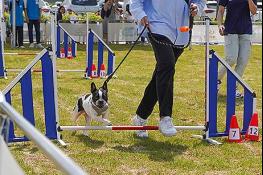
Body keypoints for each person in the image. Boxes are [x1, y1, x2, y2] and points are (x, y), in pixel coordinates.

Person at [130, 0, 205, 138]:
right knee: (167, 65)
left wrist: (197, 8)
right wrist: (140, 14)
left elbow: (200, 2)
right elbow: (135, 1)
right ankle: (165, 117)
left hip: (181, 31)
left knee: (163, 72)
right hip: (157, 25)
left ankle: (140, 116)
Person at [217, 0, 257, 98]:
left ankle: (233, 89)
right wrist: (220, 24)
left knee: (242, 61)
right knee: (231, 58)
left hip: (246, 30)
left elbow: (254, 11)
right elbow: (220, 10)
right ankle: (215, 81)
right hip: (230, 29)